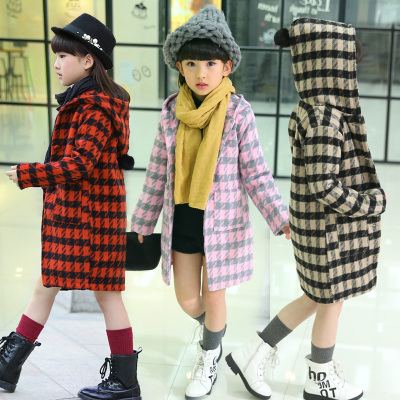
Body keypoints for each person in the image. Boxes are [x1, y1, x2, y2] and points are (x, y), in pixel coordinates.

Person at [130, 5, 290, 399]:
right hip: (183, 221)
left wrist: (279, 217)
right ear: (180, 67)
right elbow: (156, 173)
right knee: (188, 299)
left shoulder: (239, 114)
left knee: (214, 296)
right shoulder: (172, 112)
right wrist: (142, 222)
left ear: (226, 67)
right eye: (192, 63)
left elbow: (256, 173)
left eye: (211, 63)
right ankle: (217, 331)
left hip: (222, 227)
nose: (201, 73)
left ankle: (209, 356)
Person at [225, 18, 387, 400]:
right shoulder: (326, 117)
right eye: (348, 65)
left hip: (316, 225)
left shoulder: (310, 109)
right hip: (327, 230)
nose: (351, 75)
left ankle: (254, 353)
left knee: (317, 297)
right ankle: (320, 379)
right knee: (330, 300)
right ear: (330, 65)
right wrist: (369, 203)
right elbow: (324, 185)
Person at [3, 13, 141, 400]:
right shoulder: (84, 101)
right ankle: (7, 366)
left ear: (88, 60)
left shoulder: (94, 106)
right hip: (81, 216)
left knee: (106, 294)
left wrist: (29, 173)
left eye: (64, 56)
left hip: (90, 220)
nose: (57, 63)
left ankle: (125, 382)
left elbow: (80, 164)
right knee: (47, 284)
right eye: (57, 56)